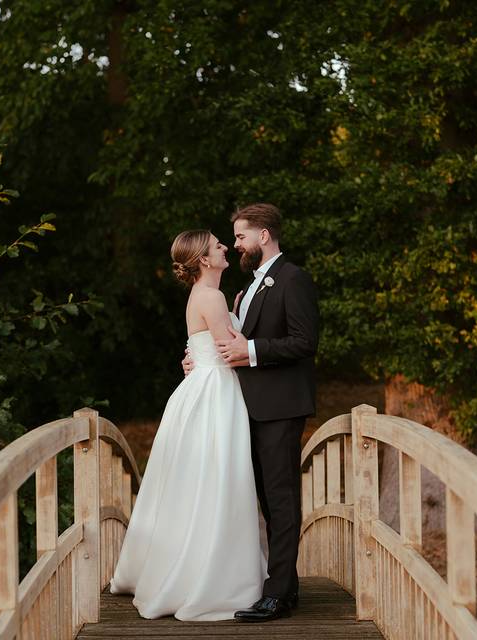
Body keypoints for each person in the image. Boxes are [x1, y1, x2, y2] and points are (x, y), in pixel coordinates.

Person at [108, 229, 266, 621]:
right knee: (217, 480)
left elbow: (205, 345)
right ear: (205, 260)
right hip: (215, 394)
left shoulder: (207, 296)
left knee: (198, 482)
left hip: (202, 388)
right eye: (217, 245)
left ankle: (188, 564)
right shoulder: (211, 297)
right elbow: (233, 348)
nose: (225, 247)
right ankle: (208, 577)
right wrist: (245, 321)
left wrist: (237, 310)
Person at [184, 203, 319, 623]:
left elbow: (304, 341)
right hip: (249, 407)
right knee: (266, 498)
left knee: (280, 500)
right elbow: (221, 341)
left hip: (280, 406)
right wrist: (197, 359)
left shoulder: (292, 279)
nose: (236, 243)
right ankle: (286, 585)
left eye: (241, 236)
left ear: (264, 235)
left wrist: (252, 350)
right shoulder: (248, 287)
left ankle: (276, 594)